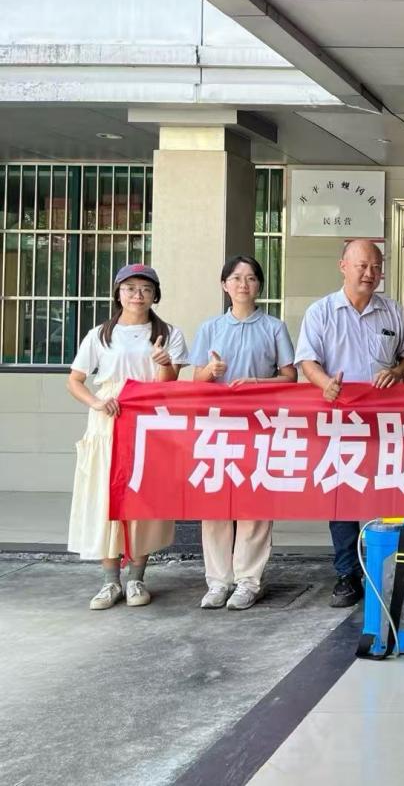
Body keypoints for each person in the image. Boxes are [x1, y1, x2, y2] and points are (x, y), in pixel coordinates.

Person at [294, 239, 404, 607]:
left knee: (387, 493)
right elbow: (307, 360)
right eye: (362, 265)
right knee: (343, 497)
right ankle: (347, 574)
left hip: (385, 423)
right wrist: (325, 384)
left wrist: (396, 372)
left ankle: (386, 569)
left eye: (376, 267)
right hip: (340, 422)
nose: (369, 273)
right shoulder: (321, 312)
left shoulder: (392, 311)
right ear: (343, 266)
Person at [66, 263, 188, 610]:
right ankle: (109, 581)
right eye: (130, 288)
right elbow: (75, 380)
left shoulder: (168, 333)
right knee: (107, 497)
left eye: (146, 289)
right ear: (118, 293)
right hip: (108, 419)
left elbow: (168, 385)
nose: (138, 295)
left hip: (149, 422)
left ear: (155, 295)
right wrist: (97, 402)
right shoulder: (100, 334)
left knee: (143, 497)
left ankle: (136, 578)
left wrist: (163, 362)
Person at [190, 255, 297, 611]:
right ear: (225, 285)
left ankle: (248, 581)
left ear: (260, 285)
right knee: (215, 504)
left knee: (254, 503)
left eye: (250, 278)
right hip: (217, 428)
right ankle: (218, 581)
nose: (243, 284)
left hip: (259, 427)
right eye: (236, 278)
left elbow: (290, 377)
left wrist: (257, 382)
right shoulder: (210, 328)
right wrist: (210, 371)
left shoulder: (274, 327)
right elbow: (195, 380)